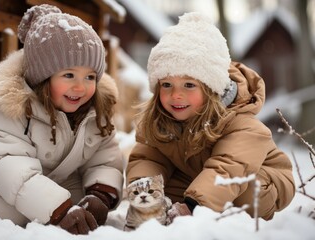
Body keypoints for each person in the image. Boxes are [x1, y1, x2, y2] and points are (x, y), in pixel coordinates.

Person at [0, 4, 124, 235]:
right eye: (69, 75)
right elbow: (13, 167)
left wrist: (100, 194)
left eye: (90, 76)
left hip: (59, 182)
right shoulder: (15, 110)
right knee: (9, 214)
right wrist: (58, 210)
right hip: (0, 179)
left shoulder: (94, 112)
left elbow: (104, 158)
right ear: (43, 78)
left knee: (80, 203)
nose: (80, 86)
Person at [126, 12, 295, 222]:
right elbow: (148, 158)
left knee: (245, 192)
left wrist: (192, 206)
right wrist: (145, 190)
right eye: (166, 85)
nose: (176, 95)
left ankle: (215, 213)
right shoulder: (163, 120)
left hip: (261, 180)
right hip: (200, 176)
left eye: (189, 85)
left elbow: (228, 168)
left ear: (212, 89)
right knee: (163, 188)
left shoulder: (243, 125)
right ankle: (201, 204)